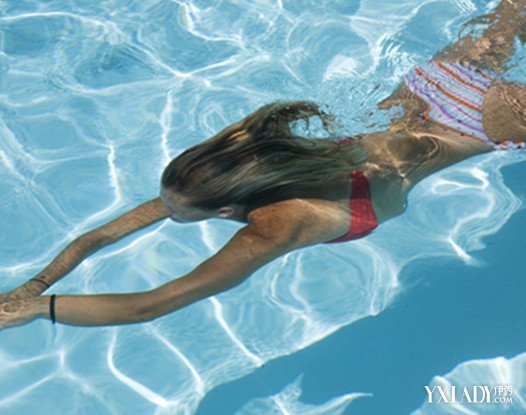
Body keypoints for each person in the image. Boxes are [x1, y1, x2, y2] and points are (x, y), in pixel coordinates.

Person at [1, 0, 525, 330]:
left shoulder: (275, 226)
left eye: (172, 210)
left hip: (474, 125)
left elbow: (153, 304)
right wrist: (34, 284)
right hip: (433, 83)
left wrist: (40, 309)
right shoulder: (237, 168)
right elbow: (102, 234)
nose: (161, 211)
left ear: (225, 210)